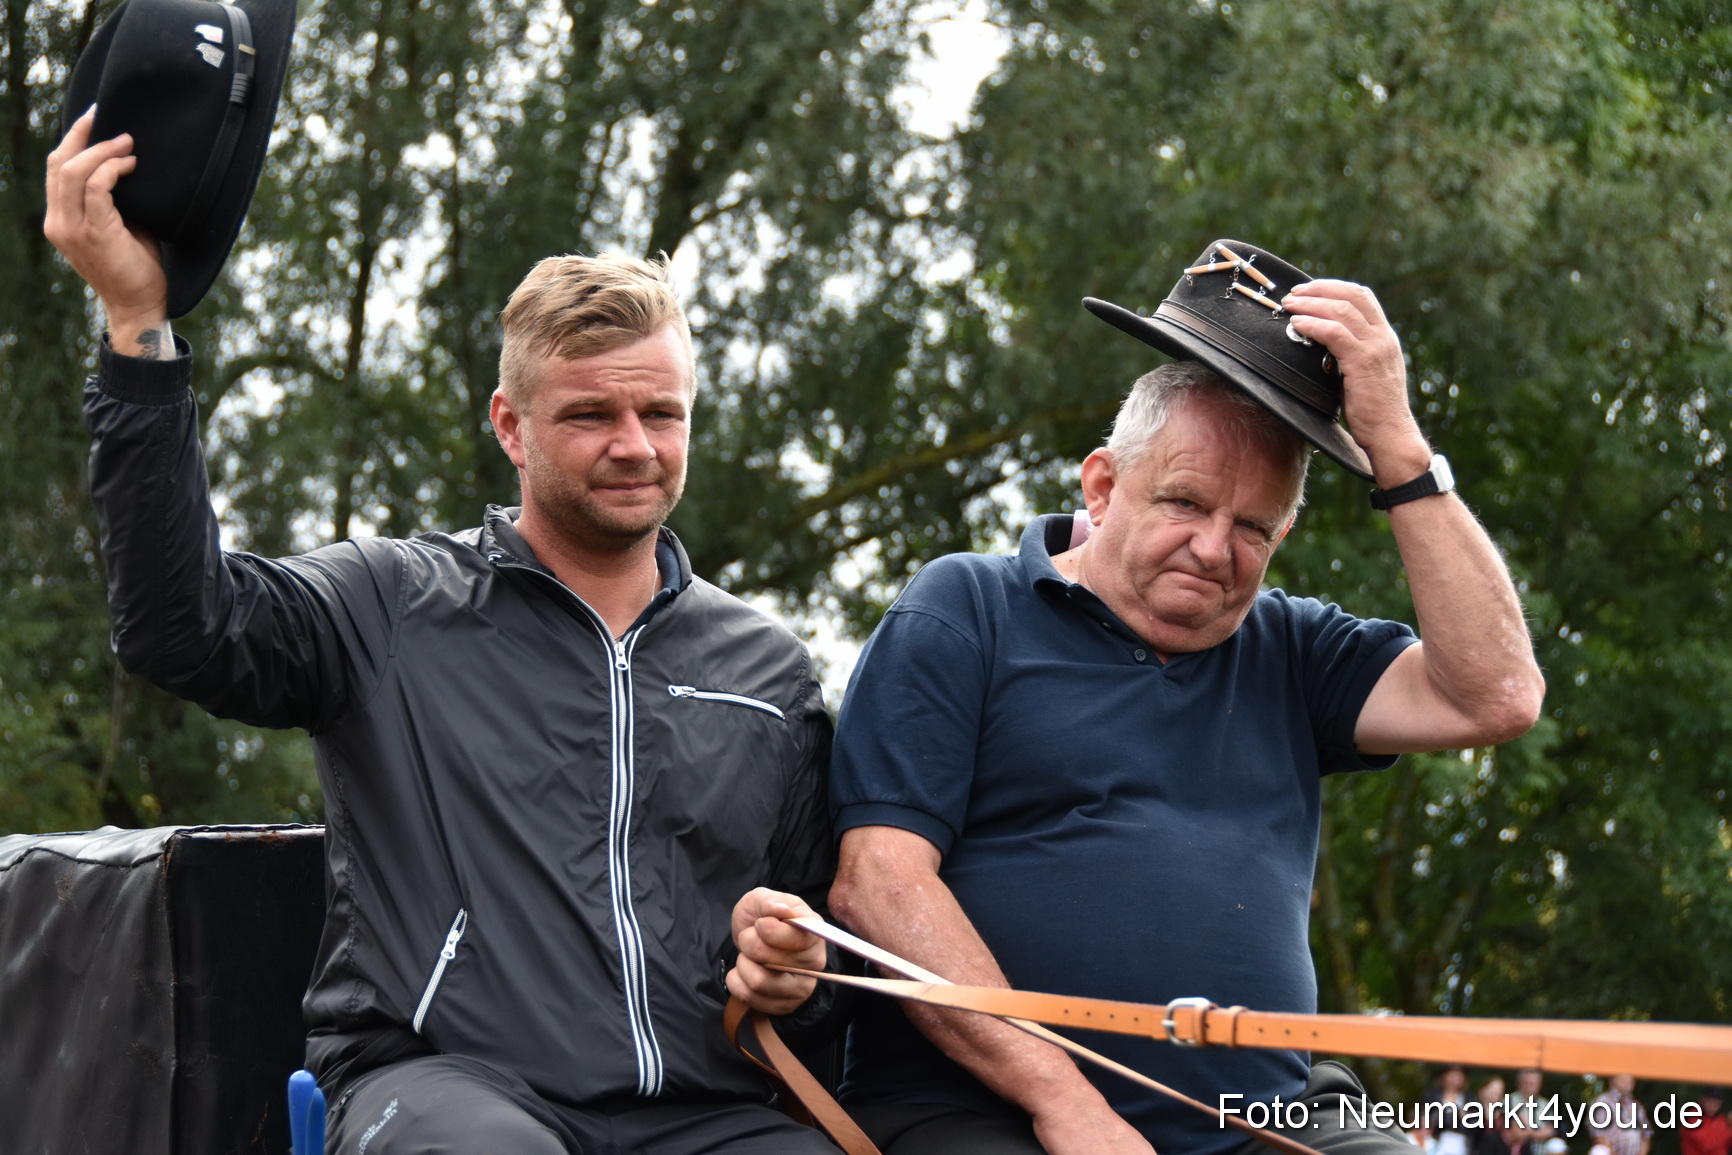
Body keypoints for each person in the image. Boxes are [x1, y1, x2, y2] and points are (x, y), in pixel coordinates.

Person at [45, 109, 838, 1155]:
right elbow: (179, 629)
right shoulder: (388, 605)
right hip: (441, 1086)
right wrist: (137, 325)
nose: (635, 445)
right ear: (511, 427)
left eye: (662, 413)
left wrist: (789, 970)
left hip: (702, 1108)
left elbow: (811, 962)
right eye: (591, 415)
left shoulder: (767, 672)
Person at [800, 241, 1546, 1155]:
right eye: (1185, 504)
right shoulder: (966, 609)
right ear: (1105, 486)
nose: (1213, 548)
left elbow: (1498, 695)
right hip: (986, 1110)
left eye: (1253, 528)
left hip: (1265, 1117)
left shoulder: (1294, 647)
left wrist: (1396, 445)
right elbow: (878, 883)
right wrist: (1063, 1100)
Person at [1417, 1066, 1472, 1155]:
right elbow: (1427, 1118)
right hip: (1437, 1143)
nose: (1456, 1078)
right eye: (1453, 1075)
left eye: (1460, 1075)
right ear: (1443, 1076)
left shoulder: (1469, 1097)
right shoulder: (1432, 1096)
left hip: (1462, 1144)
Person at [1590, 1075, 1651, 1155]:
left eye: (1630, 1081)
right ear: (1612, 1081)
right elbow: (1599, 1137)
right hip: (1610, 1153)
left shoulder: (1636, 1105)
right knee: (1599, 1151)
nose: (1628, 1083)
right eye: (1623, 1080)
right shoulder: (1602, 1102)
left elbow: (1646, 1135)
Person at [1505, 1068, 1558, 1155]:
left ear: (1540, 1085)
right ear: (1519, 1083)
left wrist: (1528, 1132)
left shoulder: (1545, 1104)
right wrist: (1539, 1133)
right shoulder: (1509, 1101)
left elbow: (1550, 1132)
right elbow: (1516, 1133)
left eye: (1533, 1083)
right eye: (1527, 1083)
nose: (1530, 1086)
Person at [1681, 1088, 1730, 1155]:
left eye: (1717, 1104)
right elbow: (1707, 1144)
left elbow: (1727, 1143)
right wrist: (1728, 1127)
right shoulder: (1691, 1118)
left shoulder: (1721, 1119)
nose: (1713, 1107)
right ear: (1702, 1100)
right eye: (1710, 1102)